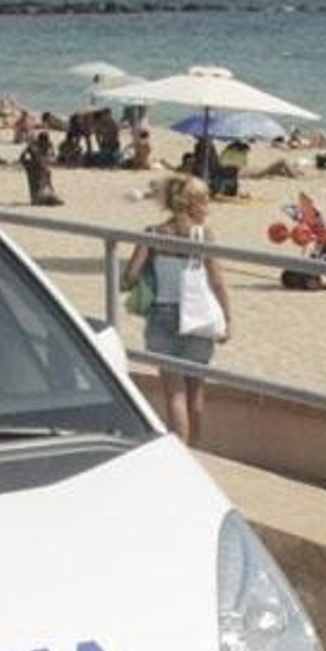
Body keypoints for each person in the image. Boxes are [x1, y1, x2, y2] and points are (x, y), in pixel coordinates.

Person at [120, 173, 231, 446]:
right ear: (192, 203)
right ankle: (195, 450)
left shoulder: (153, 233)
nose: (208, 207)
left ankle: (180, 449)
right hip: (197, 317)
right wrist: (227, 318)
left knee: (174, 394)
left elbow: (129, 278)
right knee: (195, 394)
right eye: (205, 201)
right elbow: (217, 282)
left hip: (162, 315)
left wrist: (149, 272)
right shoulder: (203, 235)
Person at [20, 130, 62, 206]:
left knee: (53, 198)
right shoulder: (33, 165)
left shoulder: (42, 166)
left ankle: (49, 197)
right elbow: (23, 158)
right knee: (52, 199)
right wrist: (29, 149)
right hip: (38, 195)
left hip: (42, 193)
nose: (46, 148)